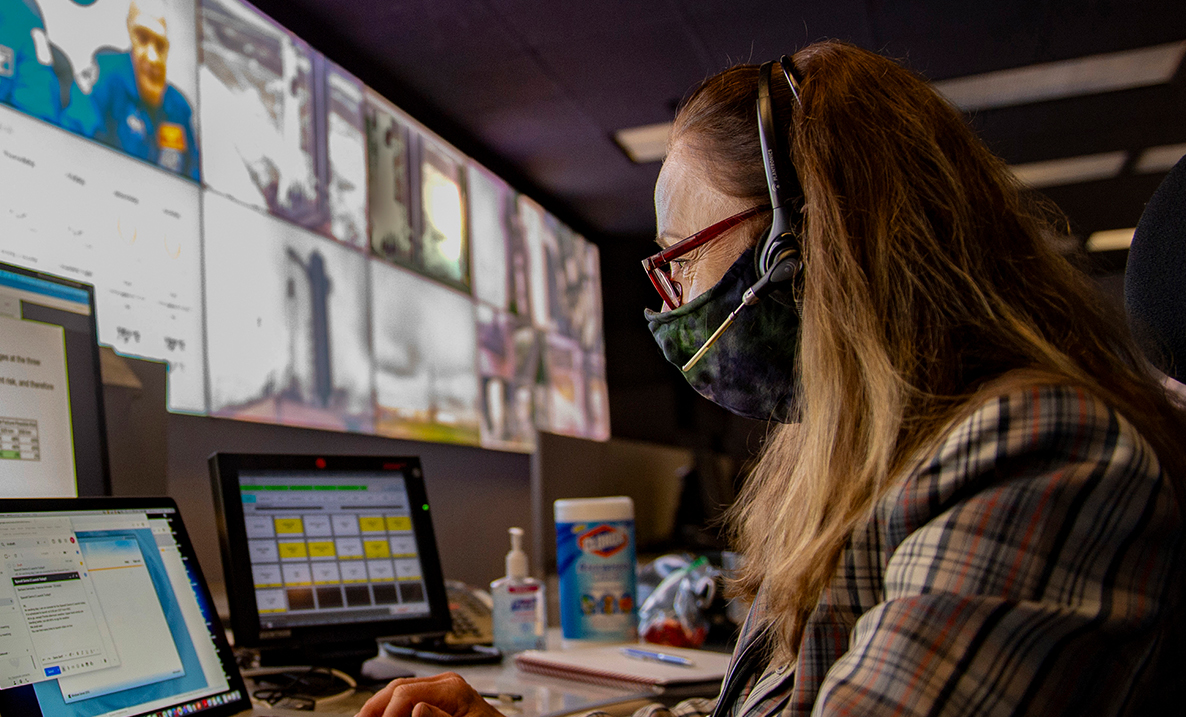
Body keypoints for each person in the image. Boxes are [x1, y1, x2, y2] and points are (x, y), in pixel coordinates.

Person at [361, 40, 1186, 717]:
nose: (671, 302)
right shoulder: (869, 459)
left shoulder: (1037, 452)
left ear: (799, 244)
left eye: (679, 260)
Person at [66, 0, 199, 180]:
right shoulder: (104, 78)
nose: (152, 58)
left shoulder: (179, 108)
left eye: (160, 46)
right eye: (143, 38)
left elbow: (193, 175)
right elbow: (71, 141)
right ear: (130, 34)